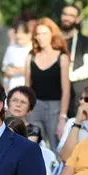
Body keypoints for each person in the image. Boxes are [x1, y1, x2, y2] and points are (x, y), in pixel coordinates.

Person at [25, 18, 70, 153]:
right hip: (35, 107)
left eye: (44, 33)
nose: (41, 37)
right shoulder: (31, 56)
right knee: (33, 147)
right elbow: (27, 87)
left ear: (52, 35)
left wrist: (62, 117)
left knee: (56, 147)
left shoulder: (62, 57)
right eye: (38, 34)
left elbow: (66, 90)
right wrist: (27, 110)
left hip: (55, 108)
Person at [59, 4, 88, 108]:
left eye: (71, 15)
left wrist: (69, 76)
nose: (67, 18)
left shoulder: (85, 41)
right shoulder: (53, 39)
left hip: (77, 95)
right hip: (56, 94)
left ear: (77, 19)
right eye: (65, 14)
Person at [2, 21, 32, 91]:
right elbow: (5, 69)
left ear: (29, 34)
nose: (19, 36)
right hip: (12, 86)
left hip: (28, 86)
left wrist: (19, 70)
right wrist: (5, 83)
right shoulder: (11, 48)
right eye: (17, 33)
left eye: (22, 33)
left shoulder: (33, 49)